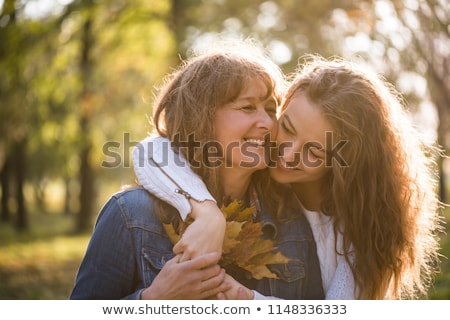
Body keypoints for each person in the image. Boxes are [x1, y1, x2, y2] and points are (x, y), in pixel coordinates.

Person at [133, 55, 443, 299]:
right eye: (289, 128)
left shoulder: (359, 223)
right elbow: (150, 151)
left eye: (314, 151)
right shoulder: (257, 172)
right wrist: (207, 212)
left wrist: (248, 302)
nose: (288, 154)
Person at [70, 41, 324, 300]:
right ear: (200, 117)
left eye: (271, 110)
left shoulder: (291, 220)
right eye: (248, 107)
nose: (267, 123)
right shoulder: (130, 214)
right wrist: (152, 302)